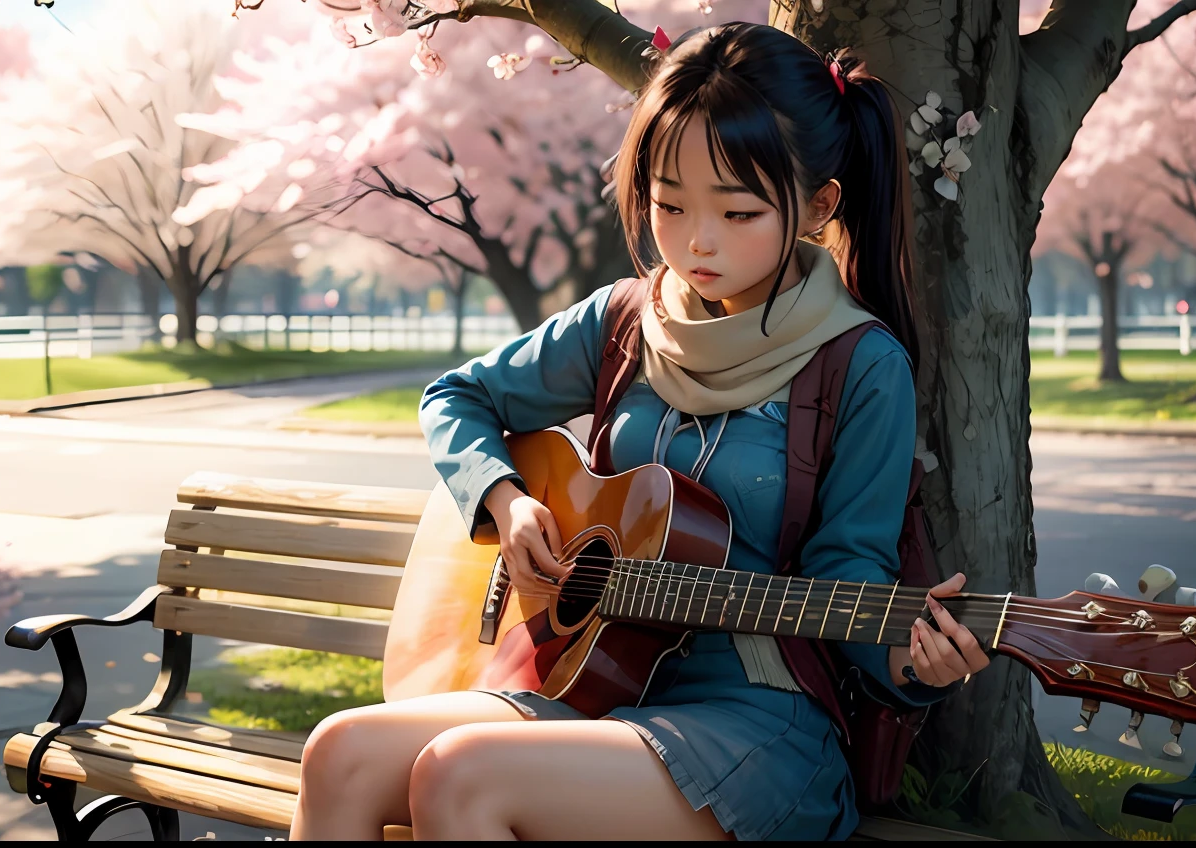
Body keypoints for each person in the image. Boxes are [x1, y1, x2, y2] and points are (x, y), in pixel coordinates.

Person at [290, 22, 990, 841]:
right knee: (337, 751)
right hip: (589, 683)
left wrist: (914, 662)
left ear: (818, 206)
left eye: (738, 210)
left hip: (756, 722)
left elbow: (852, 573)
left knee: (460, 778)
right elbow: (457, 397)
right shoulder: (624, 321)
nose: (698, 239)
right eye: (670, 203)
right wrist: (507, 502)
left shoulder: (860, 366)